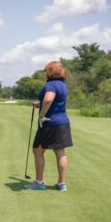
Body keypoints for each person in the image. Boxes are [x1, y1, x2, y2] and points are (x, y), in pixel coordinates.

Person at [24, 61, 73, 191]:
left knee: (38, 151)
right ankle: (62, 184)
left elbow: (48, 99)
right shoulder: (62, 85)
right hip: (62, 122)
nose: (44, 72)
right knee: (60, 152)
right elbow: (52, 101)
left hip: (49, 123)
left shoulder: (51, 84)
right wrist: (39, 104)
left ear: (50, 71)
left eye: (46, 70)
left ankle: (39, 183)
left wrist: (41, 115)